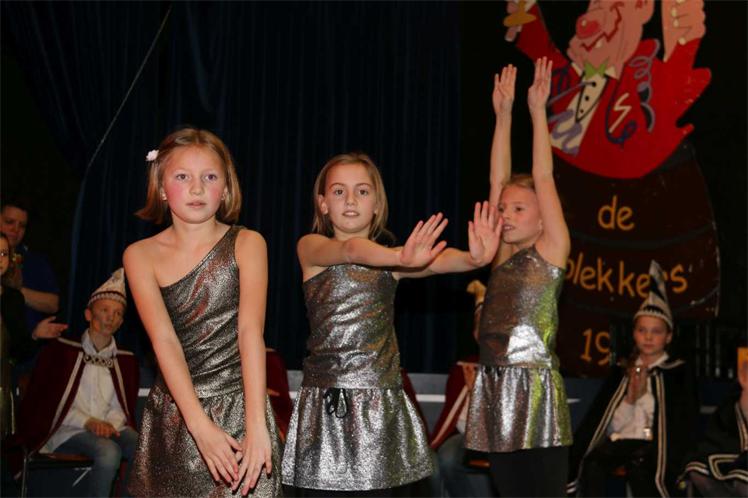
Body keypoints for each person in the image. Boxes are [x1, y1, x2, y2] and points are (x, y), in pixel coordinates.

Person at [282, 152, 501, 496]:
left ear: (377, 205)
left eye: (362, 191)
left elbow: (438, 262)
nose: (350, 199)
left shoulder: (392, 263)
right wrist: (400, 257)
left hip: (379, 409)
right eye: (339, 191)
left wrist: (473, 259)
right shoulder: (311, 248)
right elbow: (351, 250)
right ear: (323, 204)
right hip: (327, 408)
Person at [124, 128, 282, 497]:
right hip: (178, 416)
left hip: (243, 409)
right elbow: (164, 341)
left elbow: (250, 332)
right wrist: (199, 426)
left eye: (209, 177)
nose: (197, 188)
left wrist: (257, 425)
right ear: (161, 187)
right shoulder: (140, 255)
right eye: (182, 177)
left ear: (226, 188)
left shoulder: (248, 243)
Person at [464, 58, 572, 497]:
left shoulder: (552, 248)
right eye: (503, 209)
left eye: (518, 209)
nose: (505, 215)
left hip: (537, 390)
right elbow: (497, 180)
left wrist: (536, 111)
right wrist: (502, 115)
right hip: (497, 388)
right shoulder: (500, 255)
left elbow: (543, 175)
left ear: (543, 217)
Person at [568, 261, 698, 497]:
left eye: (656, 331)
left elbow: (679, 426)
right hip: (623, 440)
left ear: (668, 337)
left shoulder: (677, 373)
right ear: (634, 333)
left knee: (643, 468)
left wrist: (648, 398)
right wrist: (630, 398)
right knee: (593, 464)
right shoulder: (622, 371)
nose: (648, 337)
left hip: (657, 447)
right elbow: (609, 426)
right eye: (642, 330)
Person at [17, 269, 139, 498]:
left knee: (142, 447)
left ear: (122, 321)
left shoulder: (125, 360)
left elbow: (121, 406)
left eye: (117, 313)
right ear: (88, 314)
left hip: (109, 427)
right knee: (109, 453)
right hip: (68, 428)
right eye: (104, 310)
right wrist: (88, 422)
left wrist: (109, 424)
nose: (110, 317)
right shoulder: (63, 352)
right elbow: (50, 403)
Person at [430, 280, 493, 497]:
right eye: (478, 326)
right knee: (432, 464)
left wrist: (478, 392)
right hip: (462, 434)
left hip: (491, 437)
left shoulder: (509, 369)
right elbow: (450, 415)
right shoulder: (463, 366)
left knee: (447, 458)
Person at [1, 233, 67, 438]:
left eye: (4, 254)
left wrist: (35, 335)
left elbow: (18, 352)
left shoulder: (13, 299)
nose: (0, 259)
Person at [681, 356, 748, 497]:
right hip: (735, 453)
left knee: (743, 480)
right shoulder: (731, 405)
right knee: (698, 468)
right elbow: (717, 436)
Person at [0, 200, 60, 333]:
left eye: (22, 226)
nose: (15, 230)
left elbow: (53, 304)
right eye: (9, 222)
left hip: (27, 340)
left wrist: (17, 290)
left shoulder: (35, 261)